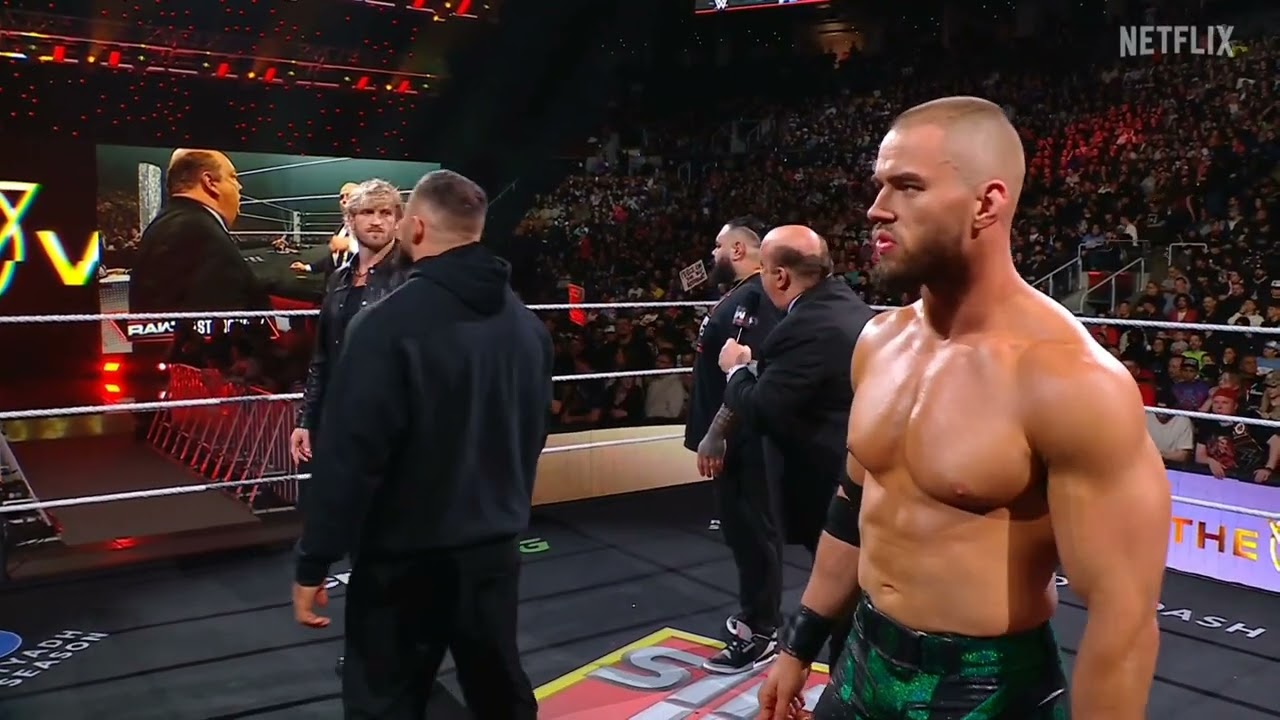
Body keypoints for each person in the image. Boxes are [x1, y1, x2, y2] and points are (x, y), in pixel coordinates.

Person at [759, 97, 1170, 720]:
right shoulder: (879, 341)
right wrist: (799, 644)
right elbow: (854, 506)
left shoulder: (1069, 381)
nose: (877, 208)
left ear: (987, 203)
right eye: (880, 185)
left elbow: (1125, 621)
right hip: (862, 658)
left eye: (908, 186)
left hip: (987, 689)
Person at [291, 169, 552, 720]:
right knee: (499, 690)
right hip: (493, 548)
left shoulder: (385, 325)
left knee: (385, 700)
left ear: (414, 227)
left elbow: (352, 457)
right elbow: (532, 435)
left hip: (403, 556)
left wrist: (314, 559)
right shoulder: (528, 327)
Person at [715, 225, 874, 665]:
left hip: (827, 480)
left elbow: (763, 408)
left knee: (843, 602)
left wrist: (736, 370)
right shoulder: (847, 305)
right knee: (852, 594)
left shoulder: (804, 325)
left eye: (765, 271)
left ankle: (845, 683)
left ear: (780, 276)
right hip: (853, 469)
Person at [286, 178, 410, 680]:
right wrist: (306, 419)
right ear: (351, 220)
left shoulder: (411, 276)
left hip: (393, 430)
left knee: (391, 539)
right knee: (357, 537)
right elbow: (322, 358)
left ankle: (395, 649)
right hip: (343, 425)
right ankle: (368, 647)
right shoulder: (338, 278)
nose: (377, 221)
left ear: (398, 220)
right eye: (367, 213)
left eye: (386, 212)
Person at [686, 217, 783, 674]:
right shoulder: (742, 295)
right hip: (734, 440)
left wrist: (718, 434)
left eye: (719, 245)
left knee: (751, 534)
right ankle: (758, 619)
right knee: (743, 532)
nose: (713, 254)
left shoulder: (754, 298)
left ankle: (761, 631)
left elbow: (749, 372)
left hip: (741, 442)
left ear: (739, 251)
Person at [130, 149, 267, 314]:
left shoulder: (170, 222)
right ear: (210, 182)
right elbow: (214, 322)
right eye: (232, 177)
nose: (239, 186)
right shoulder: (198, 234)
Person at [291, 182, 359, 275]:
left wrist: (349, 245)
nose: (343, 200)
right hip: (336, 281)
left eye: (349, 196)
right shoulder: (343, 227)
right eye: (341, 197)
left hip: (355, 282)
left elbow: (375, 252)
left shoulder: (366, 224)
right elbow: (333, 258)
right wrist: (307, 267)